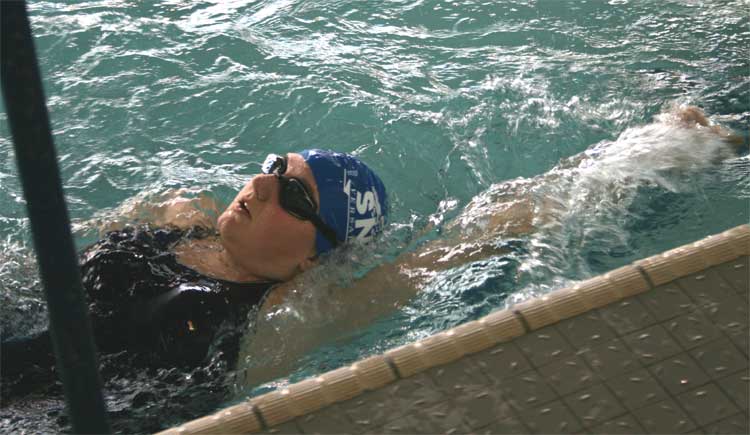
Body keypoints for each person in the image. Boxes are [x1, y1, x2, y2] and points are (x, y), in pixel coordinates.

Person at [1, 149, 388, 396]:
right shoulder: (184, 217)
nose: (259, 184)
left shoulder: (277, 315)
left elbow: (402, 280)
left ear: (314, 259)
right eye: (277, 167)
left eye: (293, 196)